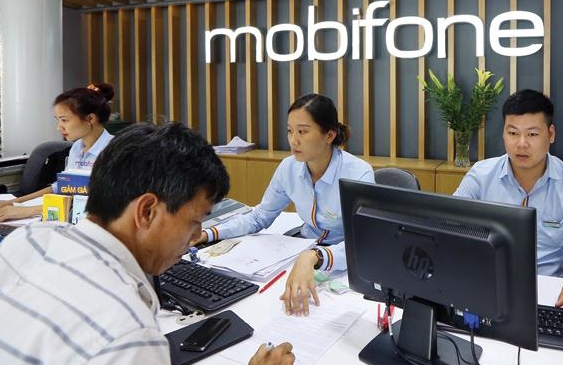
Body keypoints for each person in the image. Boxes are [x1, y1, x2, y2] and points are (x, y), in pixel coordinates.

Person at [0, 122, 295, 365]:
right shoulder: (131, 336)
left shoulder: (29, 239)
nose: (196, 236)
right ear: (147, 212)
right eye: (195, 221)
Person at [197, 93, 374, 316]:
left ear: (329, 135)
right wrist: (207, 233)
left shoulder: (358, 174)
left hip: (345, 263)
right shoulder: (288, 168)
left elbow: (363, 242)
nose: (293, 140)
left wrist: (315, 256)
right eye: (290, 131)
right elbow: (259, 216)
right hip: (303, 251)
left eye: (303, 131)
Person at [454, 89, 563, 318]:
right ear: (503, 133)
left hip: (552, 299)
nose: (521, 143)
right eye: (513, 133)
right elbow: (448, 232)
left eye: (532, 134)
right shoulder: (481, 176)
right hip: (489, 294)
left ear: (551, 134)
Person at [0, 83, 115, 221]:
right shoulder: (77, 147)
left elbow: (95, 202)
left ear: (90, 119)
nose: (59, 127)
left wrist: (27, 211)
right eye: (58, 120)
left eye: (64, 120)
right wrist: (14, 202)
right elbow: (63, 188)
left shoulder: (114, 152)